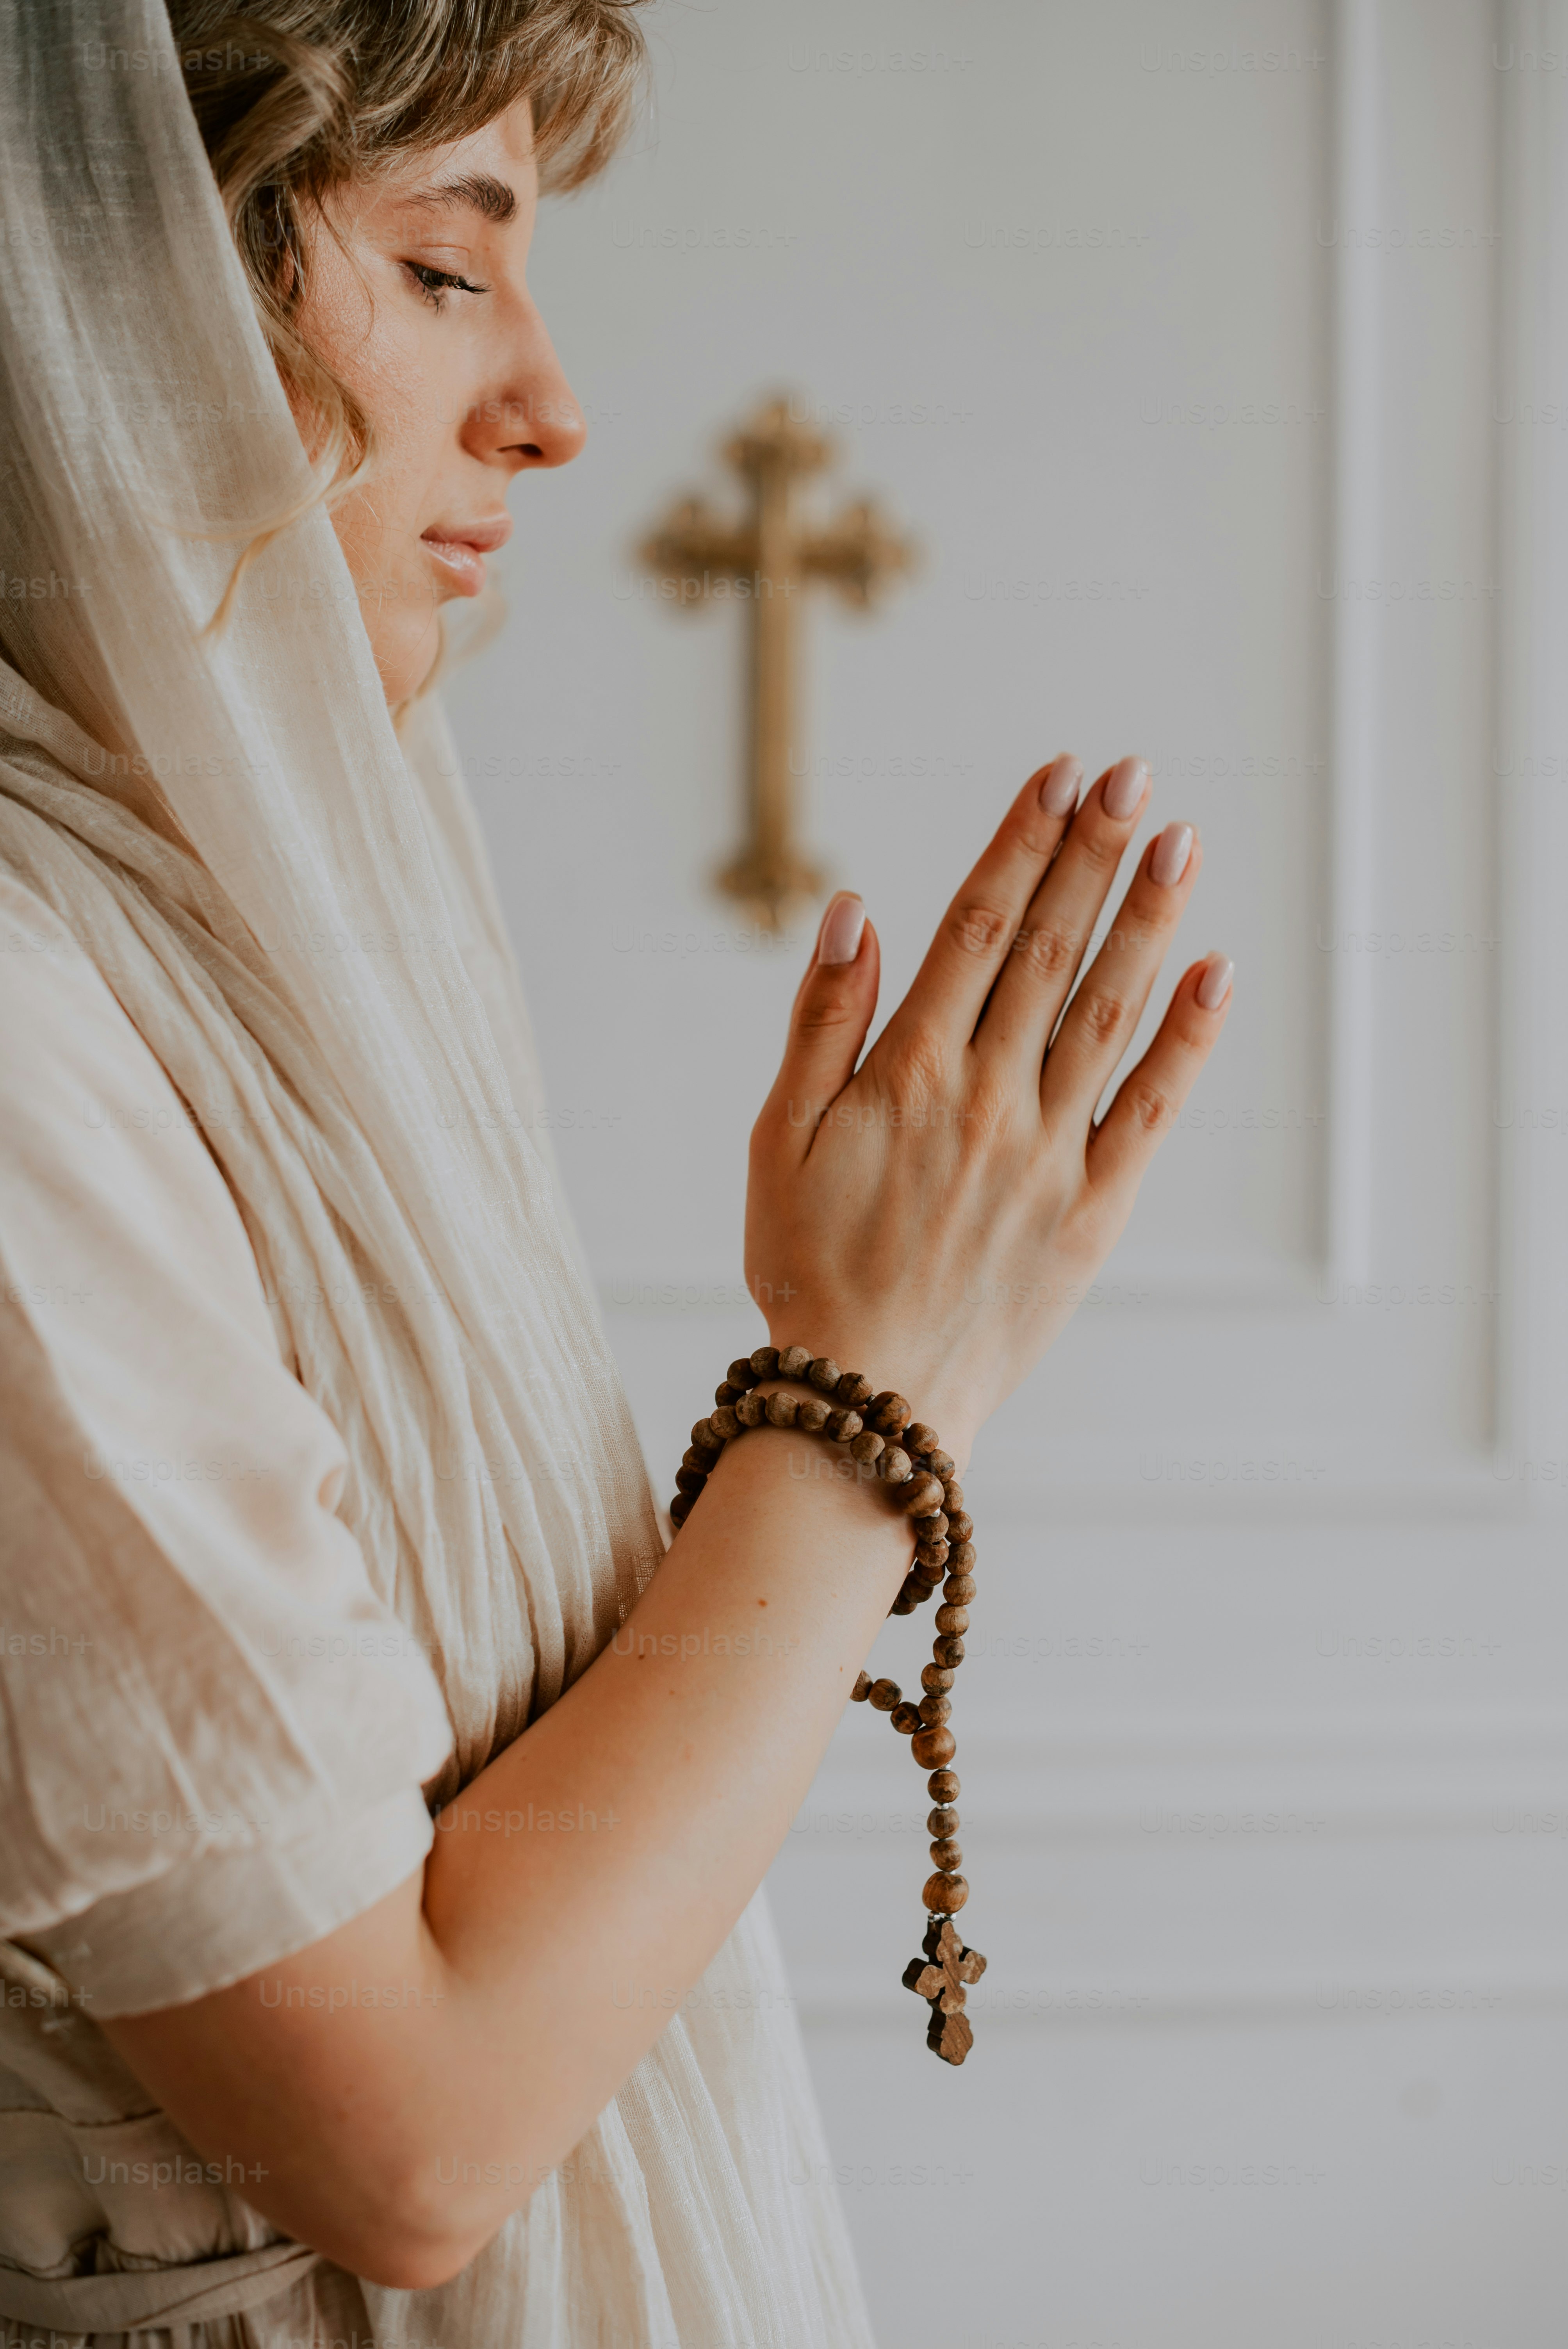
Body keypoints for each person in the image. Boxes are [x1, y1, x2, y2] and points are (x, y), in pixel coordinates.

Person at [0, 2, 1232, 2343]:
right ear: (105, 291)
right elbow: (411, 2130)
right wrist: (870, 1399)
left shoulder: (260, 919)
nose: (555, 409)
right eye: (449, 273)